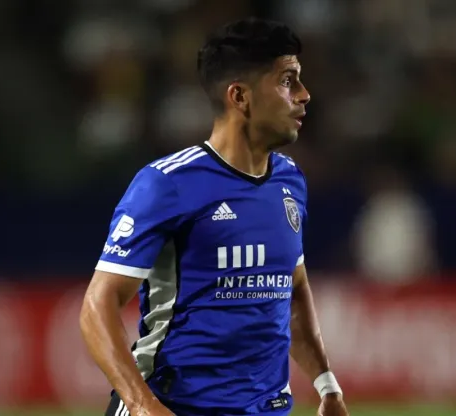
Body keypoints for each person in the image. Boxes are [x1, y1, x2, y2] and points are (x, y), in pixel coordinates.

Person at [79, 17, 349, 416]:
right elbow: (97, 305)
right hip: (175, 405)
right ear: (239, 96)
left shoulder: (290, 182)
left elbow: (291, 289)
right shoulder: (168, 184)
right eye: (287, 80)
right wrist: (141, 405)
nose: (305, 95)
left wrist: (327, 385)